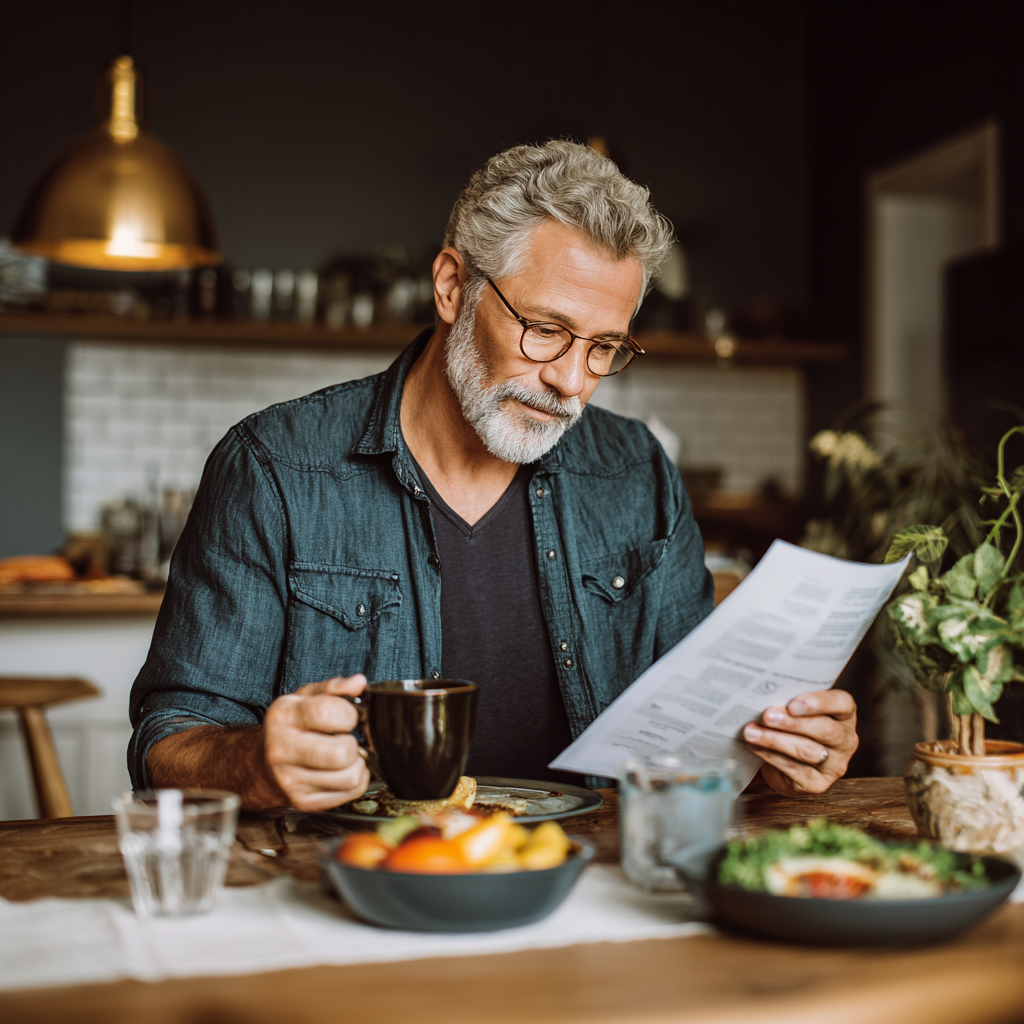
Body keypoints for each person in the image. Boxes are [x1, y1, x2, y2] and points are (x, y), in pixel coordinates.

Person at [129, 141, 859, 810]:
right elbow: (170, 742)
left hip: (601, 893)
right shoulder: (274, 467)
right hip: (362, 886)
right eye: (544, 330)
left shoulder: (635, 472)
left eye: (604, 347)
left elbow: (695, 735)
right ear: (452, 287)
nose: (572, 381)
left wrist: (773, 751)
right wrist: (257, 762)